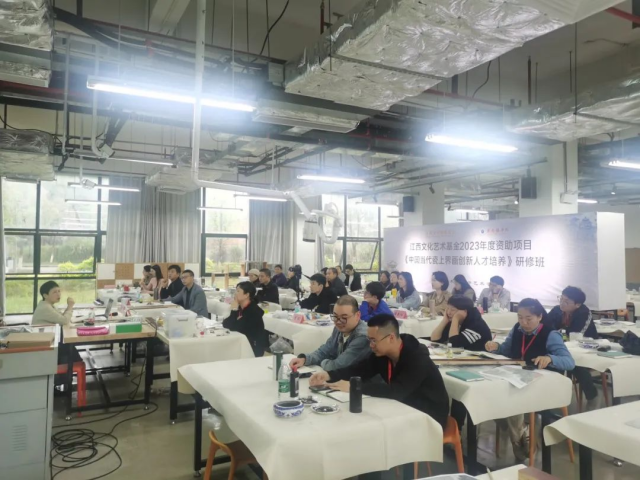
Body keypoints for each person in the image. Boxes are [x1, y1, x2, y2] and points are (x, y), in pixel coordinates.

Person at [309, 314, 449, 429]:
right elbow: (359, 369)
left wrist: (355, 387)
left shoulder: (417, 358)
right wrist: (329, 375)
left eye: (374, 341)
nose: (371, 345)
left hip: (429, 415)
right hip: (402, 407)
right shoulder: (382, 354)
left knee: (369, 426)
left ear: (391, 338)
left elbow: (397, 390)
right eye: (369, 340)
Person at [485, 298, 575, 461]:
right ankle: (520, 433)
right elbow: (507, 350)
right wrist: (496, 347)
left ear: (539, 317)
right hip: (517, 378)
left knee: (511, 399)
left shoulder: (550, 334)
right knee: (492, 395)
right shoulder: (517, 329)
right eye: (520, 318)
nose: (524, 323)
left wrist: (550, 358)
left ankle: (518, 437)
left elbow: (569, 362)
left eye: (528, 318)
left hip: (543, 383)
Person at [547, 286, 599, 409]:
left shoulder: (584, 313)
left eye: (566, 301)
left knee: (575, 364)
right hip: (562, 345)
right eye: (561, 299)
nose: (562, 303)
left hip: (584, 346)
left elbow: (576, 334)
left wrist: (556, 334)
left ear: (577, 304)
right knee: (552, 361)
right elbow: (545, 325)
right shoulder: (557, 310)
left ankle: (592, 395)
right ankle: (553, 396)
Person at [289, 296, 370, 372]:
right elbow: (325, 351)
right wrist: (305, 360)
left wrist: (324, 362)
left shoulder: (362, 337)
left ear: (357, 315)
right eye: (335, 316)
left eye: (344, 317)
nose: (338, 322)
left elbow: (337, 366)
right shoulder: (339, 328)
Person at [223, 281, 266, 357]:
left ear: (246, 295)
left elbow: (235, 328)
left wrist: (234, 310)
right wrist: (234, 311)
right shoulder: (240, 307)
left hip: (252, 348)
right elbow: (226, 324)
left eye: (238, 291)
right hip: (241, 343)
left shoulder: (253, 311)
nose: (235, 293)